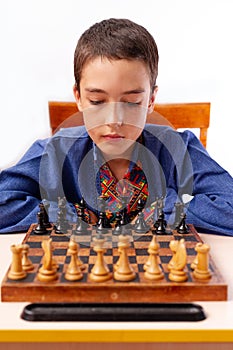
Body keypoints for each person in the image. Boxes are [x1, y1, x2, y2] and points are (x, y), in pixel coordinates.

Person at [0, 18, 232, 235]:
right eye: (97, 102)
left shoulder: (179, 148)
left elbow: (228, 206)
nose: (114, 119)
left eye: (132, 103)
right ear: (78, 97)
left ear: (151, 100)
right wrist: (71, 215)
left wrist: (158, 210)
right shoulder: (54, 151)